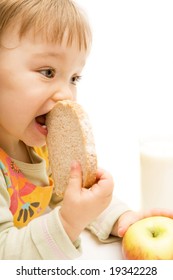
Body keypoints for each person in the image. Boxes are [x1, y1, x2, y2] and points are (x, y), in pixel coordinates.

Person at [0, 0, 172, 260]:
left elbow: (67, 197)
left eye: (74, 78)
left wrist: (120, 217)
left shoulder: (39, 146)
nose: (66, 94)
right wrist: (68, 222)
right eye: (47, 72)